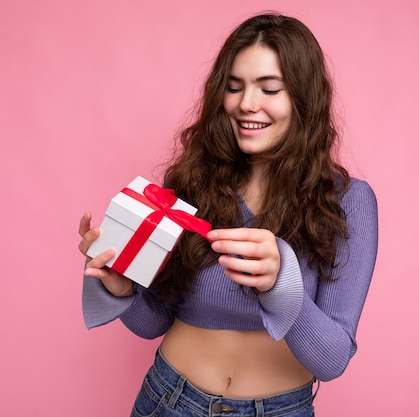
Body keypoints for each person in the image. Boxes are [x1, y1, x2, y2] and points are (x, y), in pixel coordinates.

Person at [78, 12, 378, 417]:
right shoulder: (190, 184)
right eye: (234, 87)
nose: (245, 104)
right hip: (169, 400)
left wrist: (280, 285)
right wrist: (123, 290)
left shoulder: (349, 202)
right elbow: (155, 322)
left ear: (304, 99)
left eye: (269, 89)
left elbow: (331, 360)